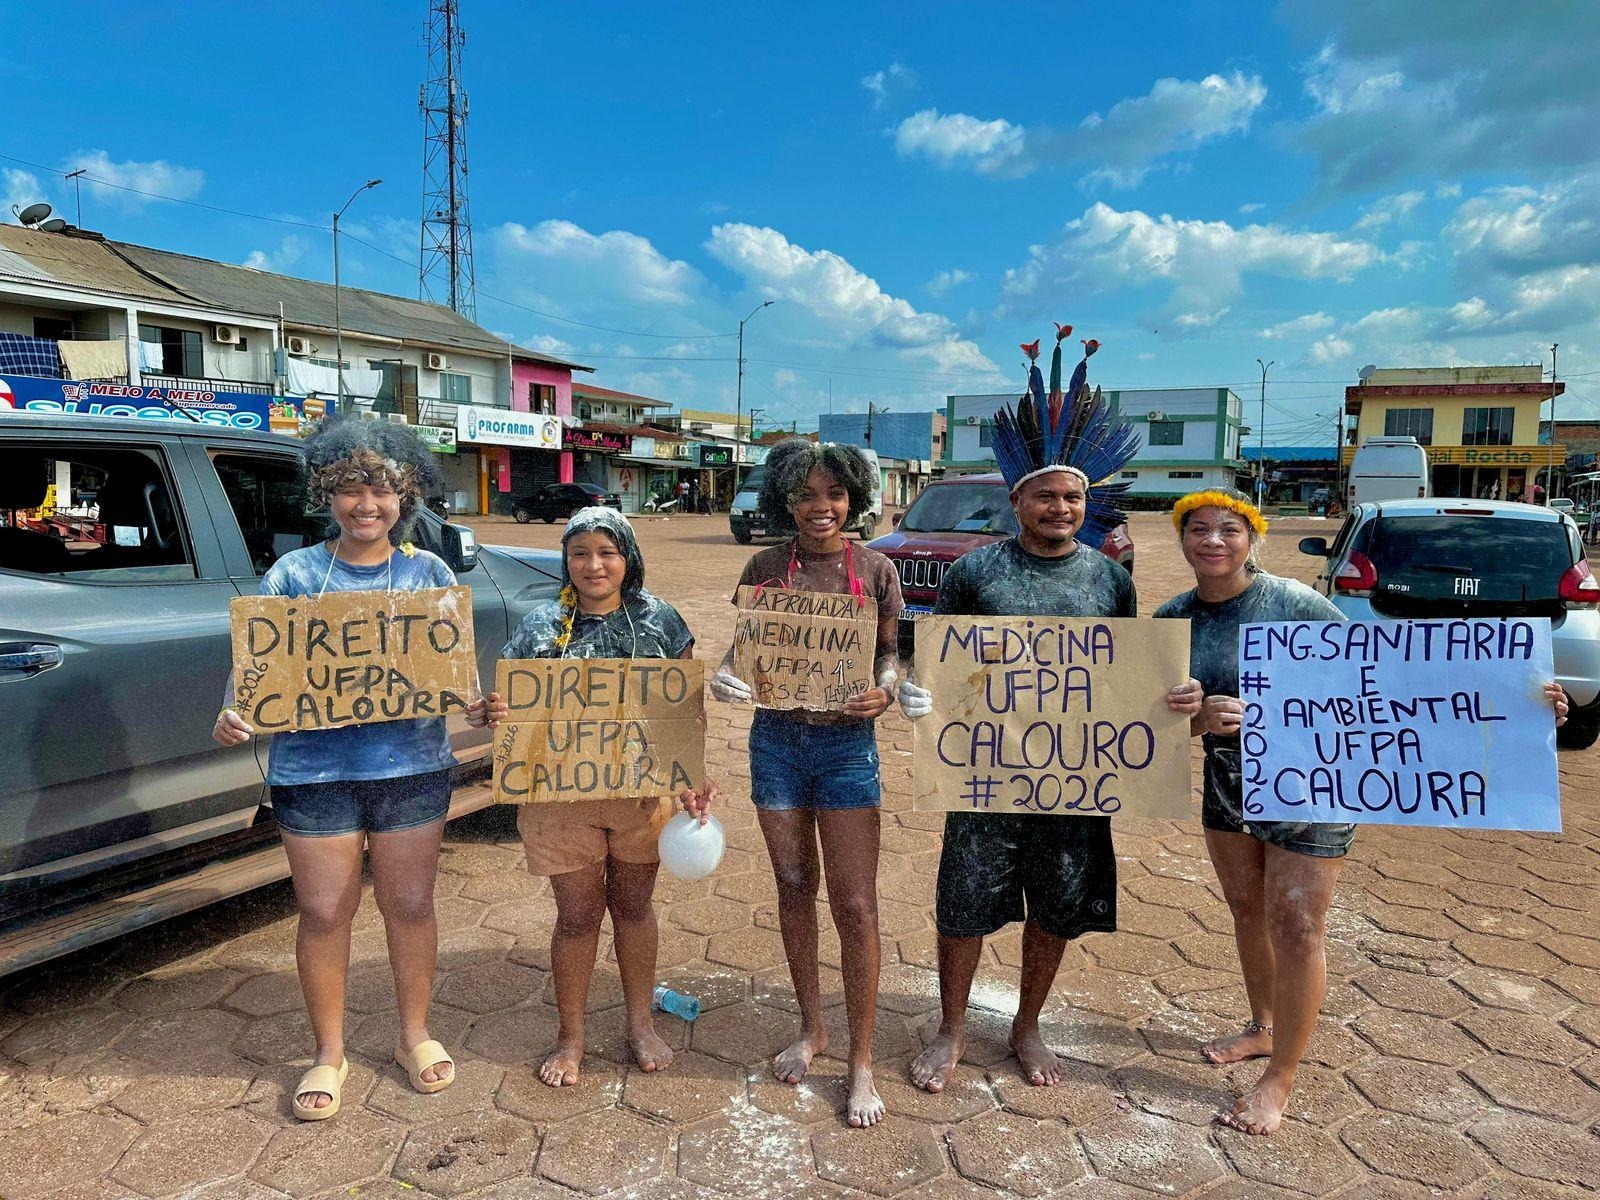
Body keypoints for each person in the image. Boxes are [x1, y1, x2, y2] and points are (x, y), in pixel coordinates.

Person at [1152, 487, 1569, 1136]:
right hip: (1229, 787)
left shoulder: (1292, 602)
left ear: (1251, 538)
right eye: (1198, 529)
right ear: (1181, 540)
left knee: (1295, 925)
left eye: (1228, 530)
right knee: (1246, 909)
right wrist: (1197, 718)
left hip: (1315, 780)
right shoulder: (1172, 617)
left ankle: (1279, 1078)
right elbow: (1146, 724)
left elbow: (1387, 674)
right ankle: (1263, 1027)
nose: (1212, 541)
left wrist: (1520, 697)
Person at [897, 330, 1202, 1094]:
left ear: (1086, 503)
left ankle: (1027, 1025)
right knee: (963, 902)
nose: (1060, 507)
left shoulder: (1110, 581)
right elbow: (943, 666)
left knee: (1058, 907)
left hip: (1074, 777)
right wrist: (921, 693)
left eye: (1072, 497)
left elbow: (1128, 675)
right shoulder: (975, 573)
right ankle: (952, 1027)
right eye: (1045, 495)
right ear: (1017, 502)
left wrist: (1170, 700)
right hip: (985, 775)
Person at [213, 418, 486, 1121]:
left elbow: (454, 674)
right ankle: (328, 1052)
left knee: (412, 905)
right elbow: (256, 669)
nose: (368, 504)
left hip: (412, 769)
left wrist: (483, 706)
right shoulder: (296, 574)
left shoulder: (429, 574)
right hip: (314, 773)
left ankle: (413, 1035)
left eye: (384, 489)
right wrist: (235, 713)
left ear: (407, 496)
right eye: (352, 489)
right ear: (326, 494)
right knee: (324, 910)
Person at [483, 509, 715, 1086]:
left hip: (642, 794)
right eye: (580, 552)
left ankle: (639, 1023)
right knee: (577, 916)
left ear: (628, 558)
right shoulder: (539, 627)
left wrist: (691, 771)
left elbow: (683, 706)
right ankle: (572, 1035)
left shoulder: (661, 621)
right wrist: (494, 713)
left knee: (634, 908)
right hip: (562, 798)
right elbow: (515, 707)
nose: (593, 565)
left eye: (607, 553)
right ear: (565, 560)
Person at [709, 438, 903, 1128]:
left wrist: (886, 690)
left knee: (854, 905)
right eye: (804, 496)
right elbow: (747, 648)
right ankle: (812, 1028)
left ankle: (861, 1060)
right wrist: (725, 673)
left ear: (853, 499)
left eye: (833, 495)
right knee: (793, 887)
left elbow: (888, 655)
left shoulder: (876, 568)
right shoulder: (766, 565)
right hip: (778, 743)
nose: (820, 508)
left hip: (849, 746)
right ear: (784, 500)